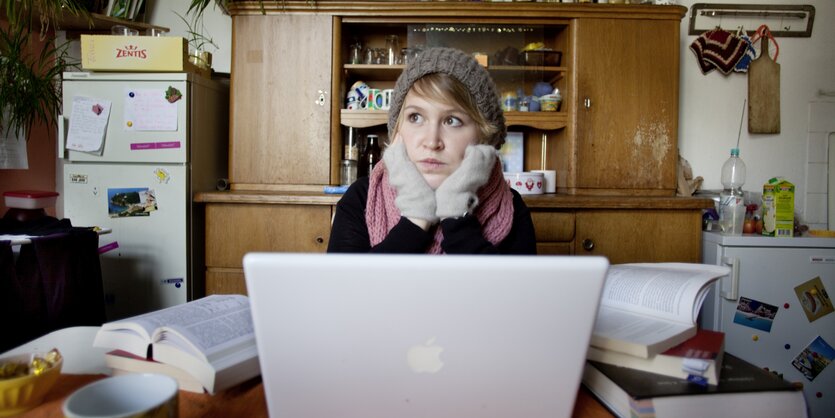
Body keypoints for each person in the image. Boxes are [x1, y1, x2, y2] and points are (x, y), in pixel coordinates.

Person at [327, 47, 536, 254]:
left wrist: (456, 213)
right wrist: (416, 217)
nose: (432, 141)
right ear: (398, 130)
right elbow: (349, 287)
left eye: (452, 121)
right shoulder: (361, 198)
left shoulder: (511, 207)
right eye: (415, 117)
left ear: (484, 136)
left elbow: (508, 289)